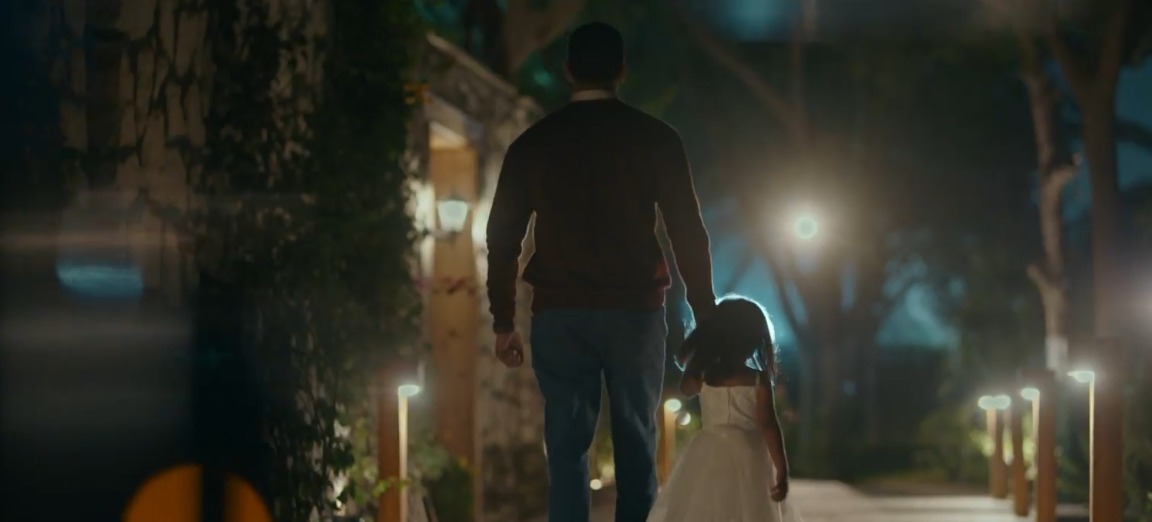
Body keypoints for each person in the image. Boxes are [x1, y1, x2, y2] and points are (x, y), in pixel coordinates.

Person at [485, 22, 716, 522]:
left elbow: (502, 239)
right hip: (635, 311)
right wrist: (705, 313)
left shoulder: (533, 144)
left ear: (568, 71)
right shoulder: (656, 139)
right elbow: (687, 231)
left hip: (559, 313)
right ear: (622, 72)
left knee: (566, 446)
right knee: (637, 440)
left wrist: (503, 320)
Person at [647, 296, 802, 522]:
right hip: (750, 452)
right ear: (753, 340)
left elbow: (686, 389)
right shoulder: (757, 379)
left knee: (706, 508)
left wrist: (700, 356)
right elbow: (768, 425)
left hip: (708, 449)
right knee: (750, 509)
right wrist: (782, 469)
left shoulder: (703, 375)